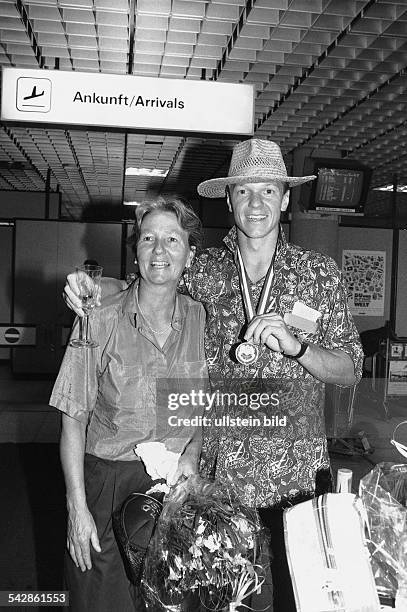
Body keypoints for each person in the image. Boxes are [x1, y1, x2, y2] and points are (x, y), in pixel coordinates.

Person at [64, 139, 364, 611]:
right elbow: (146, 280)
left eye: (268, 190)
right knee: (222, 602)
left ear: (286, 199)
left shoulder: (318, 274)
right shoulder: (204, 271)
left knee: (297, 600)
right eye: (244, 191)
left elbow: (350, 369)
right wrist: (89, 285)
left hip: (295, 480)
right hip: (216, 485)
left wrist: (299, 347)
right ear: (229, 200)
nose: (256, 203)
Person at [51, 197, 208, 612]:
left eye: (172, 240)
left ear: (189, 255)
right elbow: (72, 419)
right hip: (107, 486)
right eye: (149, 239)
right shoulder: (98, 317)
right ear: (135, 251)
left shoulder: (200, 317)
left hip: (174, 488)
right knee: (99, 601)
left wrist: (192, 453)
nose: (160, 250)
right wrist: (77, 508)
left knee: (167, 603)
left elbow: (204, 406)